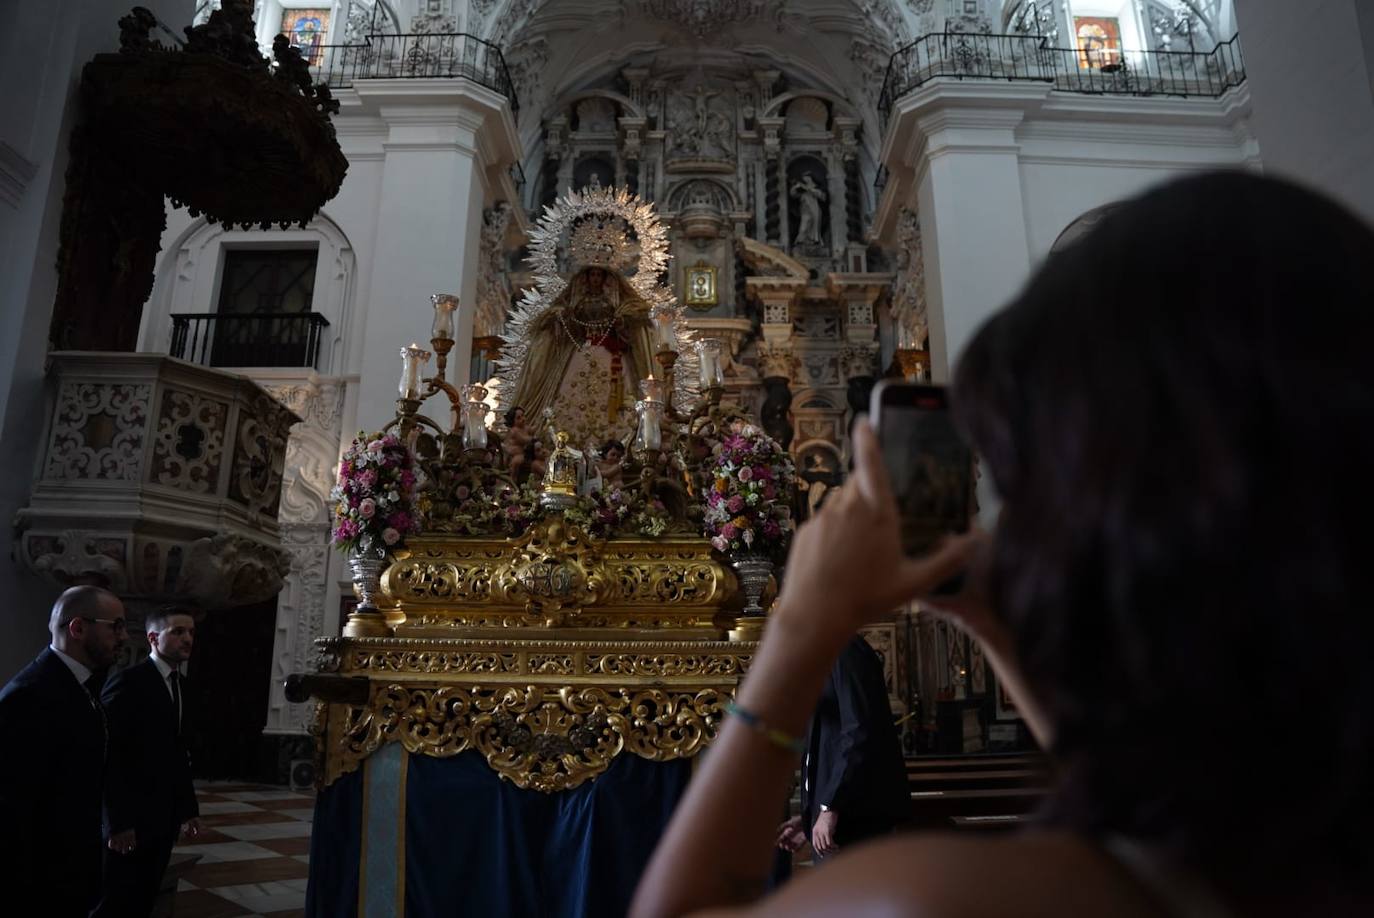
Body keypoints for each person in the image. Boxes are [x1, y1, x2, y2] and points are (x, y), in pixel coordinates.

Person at [631, 172, 1374, 917]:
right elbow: (1142, 798)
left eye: (1024, 480)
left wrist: (802, 627)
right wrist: (991, 622)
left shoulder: (953, 898)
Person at [0, 586, 127, 917]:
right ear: (78, 628)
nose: (123, 636)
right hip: (42, 887)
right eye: (115, 626)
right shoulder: (30, 695)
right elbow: (13, 812)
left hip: (72, 874)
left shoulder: (79, 685)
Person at [96, 606, 203, 918]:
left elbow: (177, 754)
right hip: (130, 819)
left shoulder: (182, 686)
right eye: (178, 632)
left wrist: (188, 809)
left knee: (145, 895)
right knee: (115, 900)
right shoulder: (128, 682)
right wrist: (117, 822)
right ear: (154, 638)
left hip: (163, 817)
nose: (188, 639)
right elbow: (109, 754)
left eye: (192, 633)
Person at [777, 635, 908, 861]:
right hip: (841, 820)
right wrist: (810, 819)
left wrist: (829, 809)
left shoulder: (846, 649)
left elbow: (859, 733)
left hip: (856, 822)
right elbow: (827, 741)